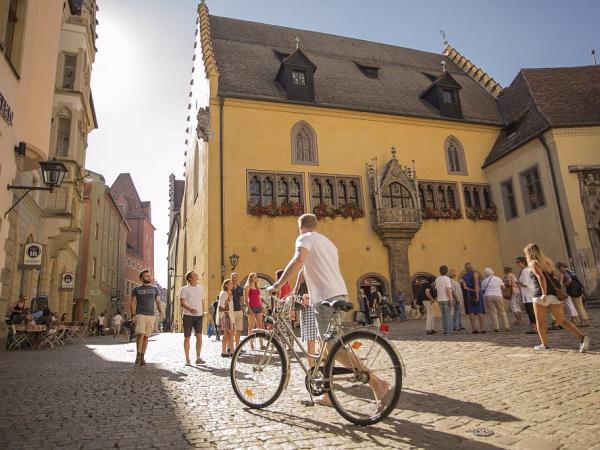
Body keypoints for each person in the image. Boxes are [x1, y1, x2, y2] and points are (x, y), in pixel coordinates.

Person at [268, 213, 392, 409]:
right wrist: (295, 288)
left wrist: (278, 284)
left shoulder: (304, 238)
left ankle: (377, 383)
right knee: (324, 347)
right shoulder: (328, 243)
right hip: (339, 294)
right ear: (316, 226)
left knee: (334, 348)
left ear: (300, 227)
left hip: (325, 299)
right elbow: (305, 269)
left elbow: (299, 259)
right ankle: (327, 394)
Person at [524, 243, 589, 352]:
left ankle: (544, 345)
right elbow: (554, 277)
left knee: (540, 322)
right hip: (555, 294)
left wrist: (544, 293)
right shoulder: (548, 261)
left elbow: (541, 277)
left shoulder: (532, 263)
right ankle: (582, 338)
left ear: (528, 253)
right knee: (562, 320)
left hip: (540, 294)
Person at [130, 270, 162, 366]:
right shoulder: (137, 289)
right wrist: (132, 315)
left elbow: (158, 301)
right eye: (146, 276)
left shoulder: (155, 289)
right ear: (141, 278)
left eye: (149, 276)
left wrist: (160, 311)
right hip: (140, 314)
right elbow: (132, 302)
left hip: (151, 315)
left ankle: (142, 357)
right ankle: (138, 356)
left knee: (146, 336)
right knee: (141, 334)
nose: (149, 277)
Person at [180, 270, 207, 366]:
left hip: (199, 316)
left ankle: (198, 357)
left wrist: (202, 312)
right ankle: (187, 359)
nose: (197, 275)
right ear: (190, 278)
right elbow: (182, 303)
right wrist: (190, 309)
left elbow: (202, 301)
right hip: (188, 316)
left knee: (199, 337)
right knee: (187, 337)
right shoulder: (184, 289)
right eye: (195, 275)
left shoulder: (201, 288)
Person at [557, 262, 589, 327]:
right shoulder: (571, 271)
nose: (558, 270)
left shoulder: (564, 273)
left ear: (561, 267)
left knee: (577, 306)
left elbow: (569, 281)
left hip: (573, 291)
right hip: (578, 290)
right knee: (580, 306)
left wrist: (563, 285)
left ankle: (583, 321)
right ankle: (584, 320)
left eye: (559, 268)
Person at [481, 268, 511, 332]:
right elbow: (503, 287)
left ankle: (496, 327)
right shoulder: (498, 278)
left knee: (493, 312)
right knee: (502, 311)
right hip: (497, 295)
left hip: (488, 296)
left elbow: (482, 289)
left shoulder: (484, 281)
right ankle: (506, 326)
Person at [461, 263, 485, 333]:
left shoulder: (464, 276)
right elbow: (476, 285)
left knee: (471, 312)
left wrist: (471, 290)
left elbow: (465, 287)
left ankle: (473, 329)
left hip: (469, 295)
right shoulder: (475, 274)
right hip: (476, 294)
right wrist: (477, 294)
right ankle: (482, 329)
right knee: (479, 311)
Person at [516, 257, 537, 334]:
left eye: (518, 262)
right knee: (532, 311)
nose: (517, 264)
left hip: (528, 294)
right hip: (531, 293)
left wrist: (517, 283)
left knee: (530, 311)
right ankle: (535, 327)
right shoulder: (528, 269)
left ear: (523, 262)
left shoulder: (525, 271)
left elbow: (525, 284)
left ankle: (534, 328)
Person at [244, 273, 265, 348]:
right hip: (251, 307)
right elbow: (246, 300)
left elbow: (259, 298)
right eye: (254, 277)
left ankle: (261, 344)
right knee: (251, 327)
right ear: (251, 278)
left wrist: (262, 307)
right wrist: (249, 309)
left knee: (260, 326)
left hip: (259, 307)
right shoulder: (248, 286)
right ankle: (251, 343)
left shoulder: (257, 287)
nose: (256, 278)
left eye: (256, 277)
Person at [434, 266, 453, 335]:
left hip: (440, 300)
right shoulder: (447, 279)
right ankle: (448, 331)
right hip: (446, 299)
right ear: (446, 271)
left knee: (443, 316)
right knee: (448, 315)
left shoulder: (437, 279)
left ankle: (444, 330)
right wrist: (451, 299)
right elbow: (448, 289)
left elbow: (436, 289)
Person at [217, 279, 234, 357]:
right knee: (230, 332)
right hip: (226, 314)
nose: (232, 284)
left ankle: (224, 351)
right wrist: (227, 301)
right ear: (226, 285)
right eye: (230, 283)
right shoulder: (224, 293)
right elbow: (221, 306)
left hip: (229, 314)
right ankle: (232, 350)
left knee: (227, 334)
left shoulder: (229, 293)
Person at [230, 272, 245, 351]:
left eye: (236, 277)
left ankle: (237, 347)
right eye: (233, 277)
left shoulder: (240, 288)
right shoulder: (228, 287)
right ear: (231, 277)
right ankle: (230, 347)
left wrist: (242, 309)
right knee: (231, 330)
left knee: (238, 330)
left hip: (239, 310)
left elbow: (242, 300)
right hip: (231, 311)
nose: (234, 279)